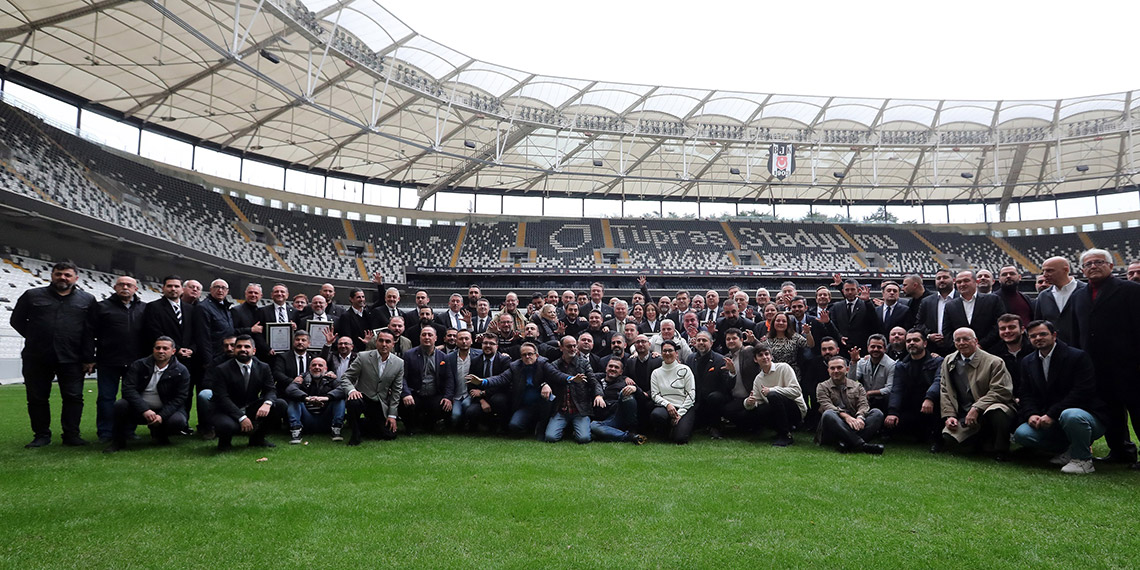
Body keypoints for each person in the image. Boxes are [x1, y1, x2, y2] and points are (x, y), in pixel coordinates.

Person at [11, 261, 96, 448]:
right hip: (37, 356)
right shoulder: (32, 295)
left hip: (72, 358)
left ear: (76, 278)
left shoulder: (87, 300)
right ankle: (41, 435)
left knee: (73, 397)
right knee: (37, 398)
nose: (62, 278)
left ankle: (71, 435)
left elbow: (90, 331)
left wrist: (89, 358)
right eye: (58, 274)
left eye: (67, 275)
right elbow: (16, 320)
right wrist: (36, 336)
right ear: (52, 275)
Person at [1071, 248, 1140, 467]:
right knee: (1111, 412)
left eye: (1099, 262)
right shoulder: (1079, 295)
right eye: (1088, 264)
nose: (1093, 266)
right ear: (1082, 270)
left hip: (1129, 364)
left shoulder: (1130, 290)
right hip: (1096, 366)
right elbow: (1076, 331)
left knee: (1138, 411)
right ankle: (1120, 451)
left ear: (1111, 266)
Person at [1012, 320, 1107, 474]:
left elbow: (1082, 392)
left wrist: (1052, 414)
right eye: (1033, 336)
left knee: (1071, 415)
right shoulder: (1027, 361)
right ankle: (1070, 449)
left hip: (1084, 415)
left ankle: (1083, 460)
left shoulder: (1077, 357)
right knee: (1022, 434)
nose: (1038, 338)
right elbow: (1025, 393)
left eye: (1043, 334)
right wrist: (1032, 414)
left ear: (1054, 335)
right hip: (1049, 419)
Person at [468, 343, 583, 438]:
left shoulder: (543, 364)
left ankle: (542, 426)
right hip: (525, 406)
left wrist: (571, 379)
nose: (527, 357)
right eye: (524, 355)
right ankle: (532, 426)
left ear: (536, 355)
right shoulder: (515, 367)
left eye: (530, 354)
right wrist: (482, 382)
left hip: (543, 404)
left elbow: (556, 375)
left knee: (548, 397)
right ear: (521, 357)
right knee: (514, 426)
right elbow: (501, 378)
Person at [935, 327, 1017, 461]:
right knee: (949, 437)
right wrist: (949, 415)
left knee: (998, 412)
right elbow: (945, 389)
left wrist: (977, 408)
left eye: (966, 339)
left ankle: (1001, 449)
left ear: (975, 341)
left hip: (991, 408)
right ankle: (981, 441)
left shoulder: (994, 362)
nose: (962, 342)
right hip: (963, 411)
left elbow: (1001, 390)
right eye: (958, 340)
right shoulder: (948, 360)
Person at [104, 336, 191, 453]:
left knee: (178, 421)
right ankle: (118, 441)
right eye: (158, 348)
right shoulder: (139, 365)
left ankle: (160, 435)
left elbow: (180, 397)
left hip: (164, 409)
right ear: (153, 349)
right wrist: (145, 410)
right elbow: (128, 389)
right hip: (140, 410)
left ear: (173, 351)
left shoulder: (181, 371)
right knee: (120, 405)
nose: (161, 351)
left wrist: (162, 416)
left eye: (165, 348)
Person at [87, 275, 147, 442]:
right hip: (108, 361)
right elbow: (89, 334)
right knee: (106, 398)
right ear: (115, 287)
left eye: (129, 285)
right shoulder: (101, 307)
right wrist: (89, 357)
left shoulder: (144, 308)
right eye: (121, 284)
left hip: (136, 362)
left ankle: (128, 431)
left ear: (136, 289)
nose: (125, 287)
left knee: (132, 398)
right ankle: (105, 432)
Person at [208, 335, 285, 451]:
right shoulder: (221, 369)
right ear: (234, 350)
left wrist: (267, 403)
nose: (243, 349)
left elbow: (271, 389)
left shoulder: (263, 367)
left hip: (250, 406)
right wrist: (241, 417)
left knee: (280, 404)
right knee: (226, 425)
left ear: (253, 351)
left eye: (247, 346)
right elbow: (222, 398)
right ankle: (224, 443)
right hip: (226, 410)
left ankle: (257, 439)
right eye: (239, 346)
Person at [343, 330, 405, 445]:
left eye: (387, 341)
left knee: (389, 435)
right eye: (381, 341)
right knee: (353, 402)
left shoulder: (399, 363)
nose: (384, 344)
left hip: (380, 402)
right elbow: (346, 377)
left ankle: (362, 424)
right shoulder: (363, 357)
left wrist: (392, 415)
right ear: (376, 342)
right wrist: (352, 390)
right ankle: (355, 435)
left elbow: (396, 391)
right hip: (362, 397)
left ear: (393, 344)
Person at [815, 355, 885, 454]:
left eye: (839, 367)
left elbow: (864, 404)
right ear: (828, 371)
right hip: (835, 425)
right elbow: (827, 405)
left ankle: (847, 443)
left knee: (877, 413)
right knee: (828, 414)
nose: (836, 371)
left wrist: (860, 417)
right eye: (832, 368)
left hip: (855, 424)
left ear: (847, 369)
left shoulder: (857, 386)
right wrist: (846, 417)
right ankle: (861, 445)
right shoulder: (822, 387)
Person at [884, 329, 942, 446]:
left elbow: (938, 381)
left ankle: (937, 440)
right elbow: (897, 389)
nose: (911, 343)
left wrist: (929, 398)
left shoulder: (938, 361)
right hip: (912, 406)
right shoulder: (901, 365)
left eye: (916, 340)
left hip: (933, 404)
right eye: (908, 341)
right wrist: (893, 412)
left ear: (924, 343)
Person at [741, 344, 806, 446]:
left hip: (795, 409)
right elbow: (757, 401)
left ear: (771, 357)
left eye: (767, 354)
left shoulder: (784, 368)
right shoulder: (758, 379)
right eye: (760, 355)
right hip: (777, 410)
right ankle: (778, 430)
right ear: (755, 359)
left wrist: (772, 390)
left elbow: (796, 391)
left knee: (772, 395)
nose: (764, 357)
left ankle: (786, 435)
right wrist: (749, 402)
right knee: (752, 412)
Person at [284, 356, 352, 443]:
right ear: (309, 368)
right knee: (294, 398)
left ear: (326, 368)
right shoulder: (301, 379)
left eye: (320, 365)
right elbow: (290, 390)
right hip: (306, 420)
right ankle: (296, 431)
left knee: (339, 399)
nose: (317, 367)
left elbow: (343, 389)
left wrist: (327, 397)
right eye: (314, 365)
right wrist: (306, 398)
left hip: (327, 420)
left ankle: (336, 430)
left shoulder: (331, 379)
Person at [400, 327, 454, 435]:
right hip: (415, 393)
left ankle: (429, 425)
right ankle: (410, 426)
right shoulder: (409, 355)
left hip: (434, 394)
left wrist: (448, 397)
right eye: (424, 335)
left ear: (436, 338)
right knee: (405, 404)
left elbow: (449, 379)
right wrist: (406, 393)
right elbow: (402, 377)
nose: (427, 337)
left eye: (430, 335)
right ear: (420, 337)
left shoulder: (444, 357)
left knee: (444, 406)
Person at [544, 336, 598, 443]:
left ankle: (575, 430)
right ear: (561, 348)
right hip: (561, 410)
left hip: (580, 410)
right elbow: (552, 377)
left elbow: (594, 381)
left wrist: (598, 395)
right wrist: (545, 384)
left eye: (574, 346)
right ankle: (566, 430)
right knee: (551, 438)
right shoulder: (554, 365)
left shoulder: (584, 363)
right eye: (569, 346)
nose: (573, 349)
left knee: (584, 439)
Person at [941, 270, 1006, 354]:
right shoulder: (950, 306)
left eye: (966, 281)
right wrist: (960, 348)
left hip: (990, 351)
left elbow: (998, 325)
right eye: (959, 282)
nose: (962, 284)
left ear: (976, 282)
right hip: (961, 354)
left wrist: (980, 345)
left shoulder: (993, 300)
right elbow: (947, 331)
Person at [649, 340, 698, 444]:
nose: (667, 353)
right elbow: (655, 395)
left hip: (685, 407)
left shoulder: (686, 369)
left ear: (676, 353)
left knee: (680, 439)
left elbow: (691, 394)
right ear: (661, 353)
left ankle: (680, 428)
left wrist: (679, 414)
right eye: (664, 351)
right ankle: (667, 430)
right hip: (665, 407)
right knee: (656, 415)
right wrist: (668, 405)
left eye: (670, 350)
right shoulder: (656, 373)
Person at [590, 359, 647, 444]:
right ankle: (629, 437)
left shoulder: (626, 382)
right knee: (594, 426)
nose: (613, 368)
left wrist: (636, 389)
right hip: (603, 419)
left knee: (626, 393)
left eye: (616, 367)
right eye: (610, 366)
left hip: (619, 416)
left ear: (621, 372)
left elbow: (643, 399)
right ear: (606, 368)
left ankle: (631, 430)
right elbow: (587, 376)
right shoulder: (596, 379)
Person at [685, 331, 731, 439]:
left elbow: (727, 384)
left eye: (704, 340)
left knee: (714, 397)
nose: (701, 342)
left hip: (715, 398)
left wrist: (732, 373)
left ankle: (715, 427)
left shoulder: (720, 360)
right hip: (696, 399)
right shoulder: (690, 358)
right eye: (698, 340)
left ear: (711, 343)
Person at [1034, 256, 1084, 346]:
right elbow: (1039, 323)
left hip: (1083, 349)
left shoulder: (1085, 291)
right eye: (1043, 271)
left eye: (1049, 271)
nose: (1045, 274)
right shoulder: (1043, 296)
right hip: (1055, 351)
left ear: (1066, 270)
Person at [829, 278, 882, 353]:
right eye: (847, 290)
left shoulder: (867, 305)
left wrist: (868, 301)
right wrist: (839, 337)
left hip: (862, 349)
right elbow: (834, 326)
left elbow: (875, 322)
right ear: (843, 291)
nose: (850, 292)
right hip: (842, 349)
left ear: (858, 290)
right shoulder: (836, 307)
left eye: (852, 289)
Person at [913, 269, 956, 356]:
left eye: (945, 277)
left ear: (954, 280)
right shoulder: (927, 301)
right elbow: (918, 324)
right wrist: (928, 335)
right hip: (933, 349)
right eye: (938, 278)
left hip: (957, 348)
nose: (941, 280)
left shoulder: (961, 298)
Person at [847, 334, 894, 413]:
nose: (875, 349)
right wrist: (854, 363)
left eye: (879, 347)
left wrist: (870, 393)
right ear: (868, 348)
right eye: (872, 347)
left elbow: (890, 389)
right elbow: (851, 381)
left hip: (884, 402)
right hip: (865, 401)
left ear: (885, 349)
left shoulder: (891, 365)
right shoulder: (862, 362)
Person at [444, 330, 479, 429]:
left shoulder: (479, 355)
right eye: (461, 339)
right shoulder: (449, 358)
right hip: (456, 395)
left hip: (471, 394)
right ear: (456, 341)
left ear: (471, 341)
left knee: (467, 405)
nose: (464, 341)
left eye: (467, 339)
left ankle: (472, 425)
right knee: (455, 416)